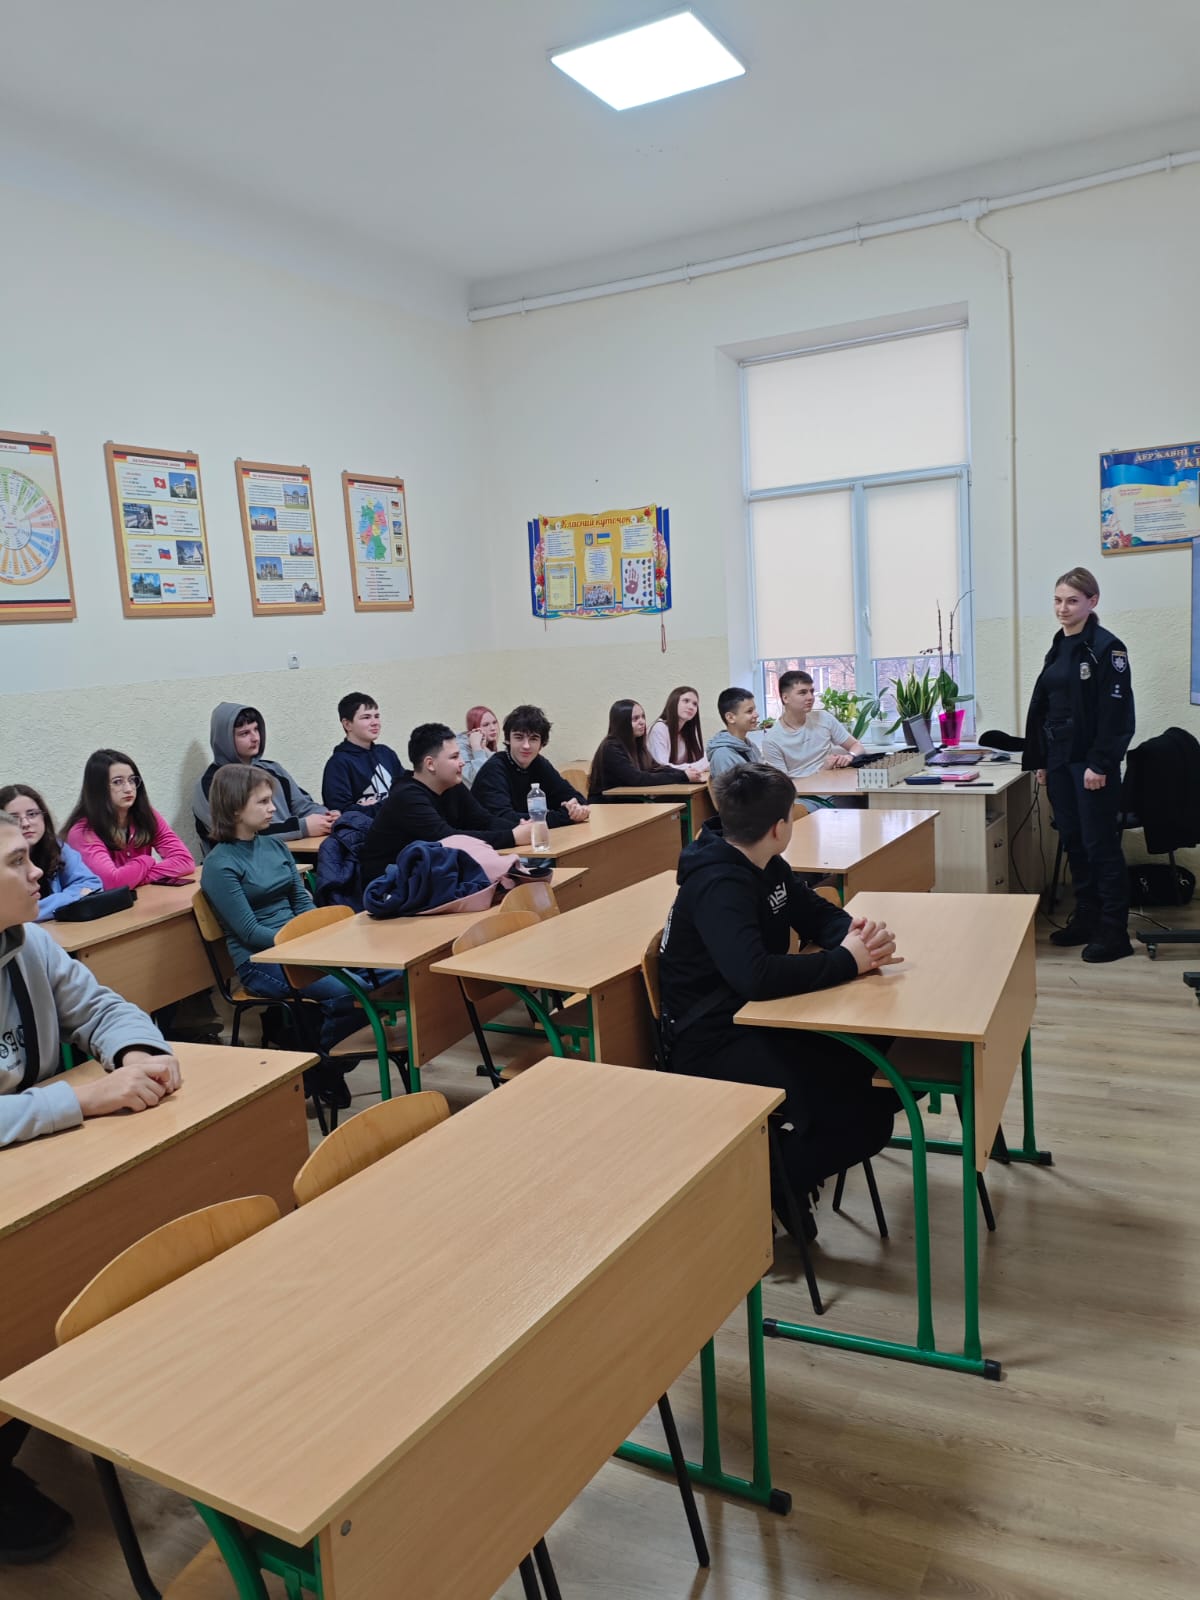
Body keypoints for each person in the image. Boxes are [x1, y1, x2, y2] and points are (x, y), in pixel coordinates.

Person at [0, 806, 181, 1562]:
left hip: (40, 1173)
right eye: (16, 862)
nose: (38, 870)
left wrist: (135, 1051)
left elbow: (100, 1005)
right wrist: (81, 1101)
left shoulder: (30, 942)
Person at [659, 763, 899, 1231]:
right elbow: (755, 976)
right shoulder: (718, 884)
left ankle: (788, 1161)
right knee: (867, 1118)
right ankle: (770, 1182)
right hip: (710, 1041)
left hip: (756, 1018)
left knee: (878, 1062)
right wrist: (848, 962)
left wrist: (856, 936)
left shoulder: (765, 862)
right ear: (778, 828)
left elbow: (812, 913)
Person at [199, 765, 361, 1051]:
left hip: (296, 947)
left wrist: (319, 938)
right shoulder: (219, 864)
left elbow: (301, 901)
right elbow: (249, 931)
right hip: (259, 961)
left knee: (378, 976)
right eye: (263, 802)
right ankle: (320, 1060)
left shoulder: (275, 846)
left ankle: (315, 1049)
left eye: (270, 800)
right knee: (348, 992)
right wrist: (300, 943)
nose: (273, 808)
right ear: (235, 809)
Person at [1022, 565, 1135, 961]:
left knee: (1099, 845)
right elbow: (1046, 708)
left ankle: (1114, 932)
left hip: (1090, 764)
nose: (1062, 608)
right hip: (1058, 761)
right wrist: (1041, 760)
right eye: (1057, 600)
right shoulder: (1059, 645)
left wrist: (1101, 764)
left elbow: (1116, 715)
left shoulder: (1107, 648)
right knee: (1073, 841)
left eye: (1072, 601)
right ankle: (1087, 918)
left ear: (1092, 601)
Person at [361, 724, 533, 883]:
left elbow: (484, 820)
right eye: (454, 757)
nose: (462, 762)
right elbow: (448, 839)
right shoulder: (406, 797)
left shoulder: (451, 785)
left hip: (432, 877)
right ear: (430, 764)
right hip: (389, 885)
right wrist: (513, 836)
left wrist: (522, 827)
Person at [194, 702, 336, 853]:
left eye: (256, 729)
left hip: (288, 852)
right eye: (244, 733)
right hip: (243, 859)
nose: (255, 738)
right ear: (225, 739)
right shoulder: (211, 783)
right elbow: (233, 831)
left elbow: (303, 806)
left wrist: (326, 817)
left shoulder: (273, 769)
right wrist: (301, 827)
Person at [64, 751, 195, 889]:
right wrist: (146, 860)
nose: (128, 789)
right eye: (117, 782)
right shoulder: (83, 832)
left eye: (132, 780)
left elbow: (185, 861)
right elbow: (112, 883)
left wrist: (136, 878)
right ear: (98, 788)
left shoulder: (145, 814)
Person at [472, 704, 590, 829]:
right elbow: (505, 819)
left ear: (542, 744)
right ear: (508, 740)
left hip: (531, 837)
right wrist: (565, 816)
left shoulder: (539, 763)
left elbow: (576, 799)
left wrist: (577, 810)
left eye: (533, 739)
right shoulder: (493, 770)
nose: (526, 746)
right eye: (519, 737)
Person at [0, 783, 102, 920]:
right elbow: (11, 915)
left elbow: (92, 885)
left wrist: (43, 908)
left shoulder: (57, 847)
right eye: (14, 818)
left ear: (44, 816)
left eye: (32, 814)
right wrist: (68, 899)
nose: (25, 823)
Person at [587, 699, 705, 801]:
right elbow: (637, 779)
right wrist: (683, 776)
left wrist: (684, 773)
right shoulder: (611, 747)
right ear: (622, 723)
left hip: (631, 802)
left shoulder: (637, 743)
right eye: (635, 719)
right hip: (607, 805)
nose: (642, 722)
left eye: (643, 717)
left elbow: (656, 768)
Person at [321, 692, 406, 815]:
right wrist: (390, 804)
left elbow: (405, 790)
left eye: (376, 716)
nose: (375, 722)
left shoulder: (386, 754)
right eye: (366, 717)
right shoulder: (338, 763)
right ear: (347, 724)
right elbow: (340, 812)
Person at [647, 686, 708, 772]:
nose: (691, 707)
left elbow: (701, 759)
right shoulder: (659, 728)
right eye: (686, 701)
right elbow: (663, 767)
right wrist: (700, 766)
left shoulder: (686, 732)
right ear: (674, 702)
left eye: (695, 704)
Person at [707, 687, 760, 778]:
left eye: (754, 710)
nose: (756, 715)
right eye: (749, 711)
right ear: (730, 718)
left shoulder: (751, 746)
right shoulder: (722, 755)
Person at [457, 705, 500, 788]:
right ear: (475, 728)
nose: (493, 728)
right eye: (486, 725)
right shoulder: (461, 749)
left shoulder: (485, 744)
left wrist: (484, 749)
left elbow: (500, 769)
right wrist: (476, 748)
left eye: (494, 722)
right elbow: (480, 781)